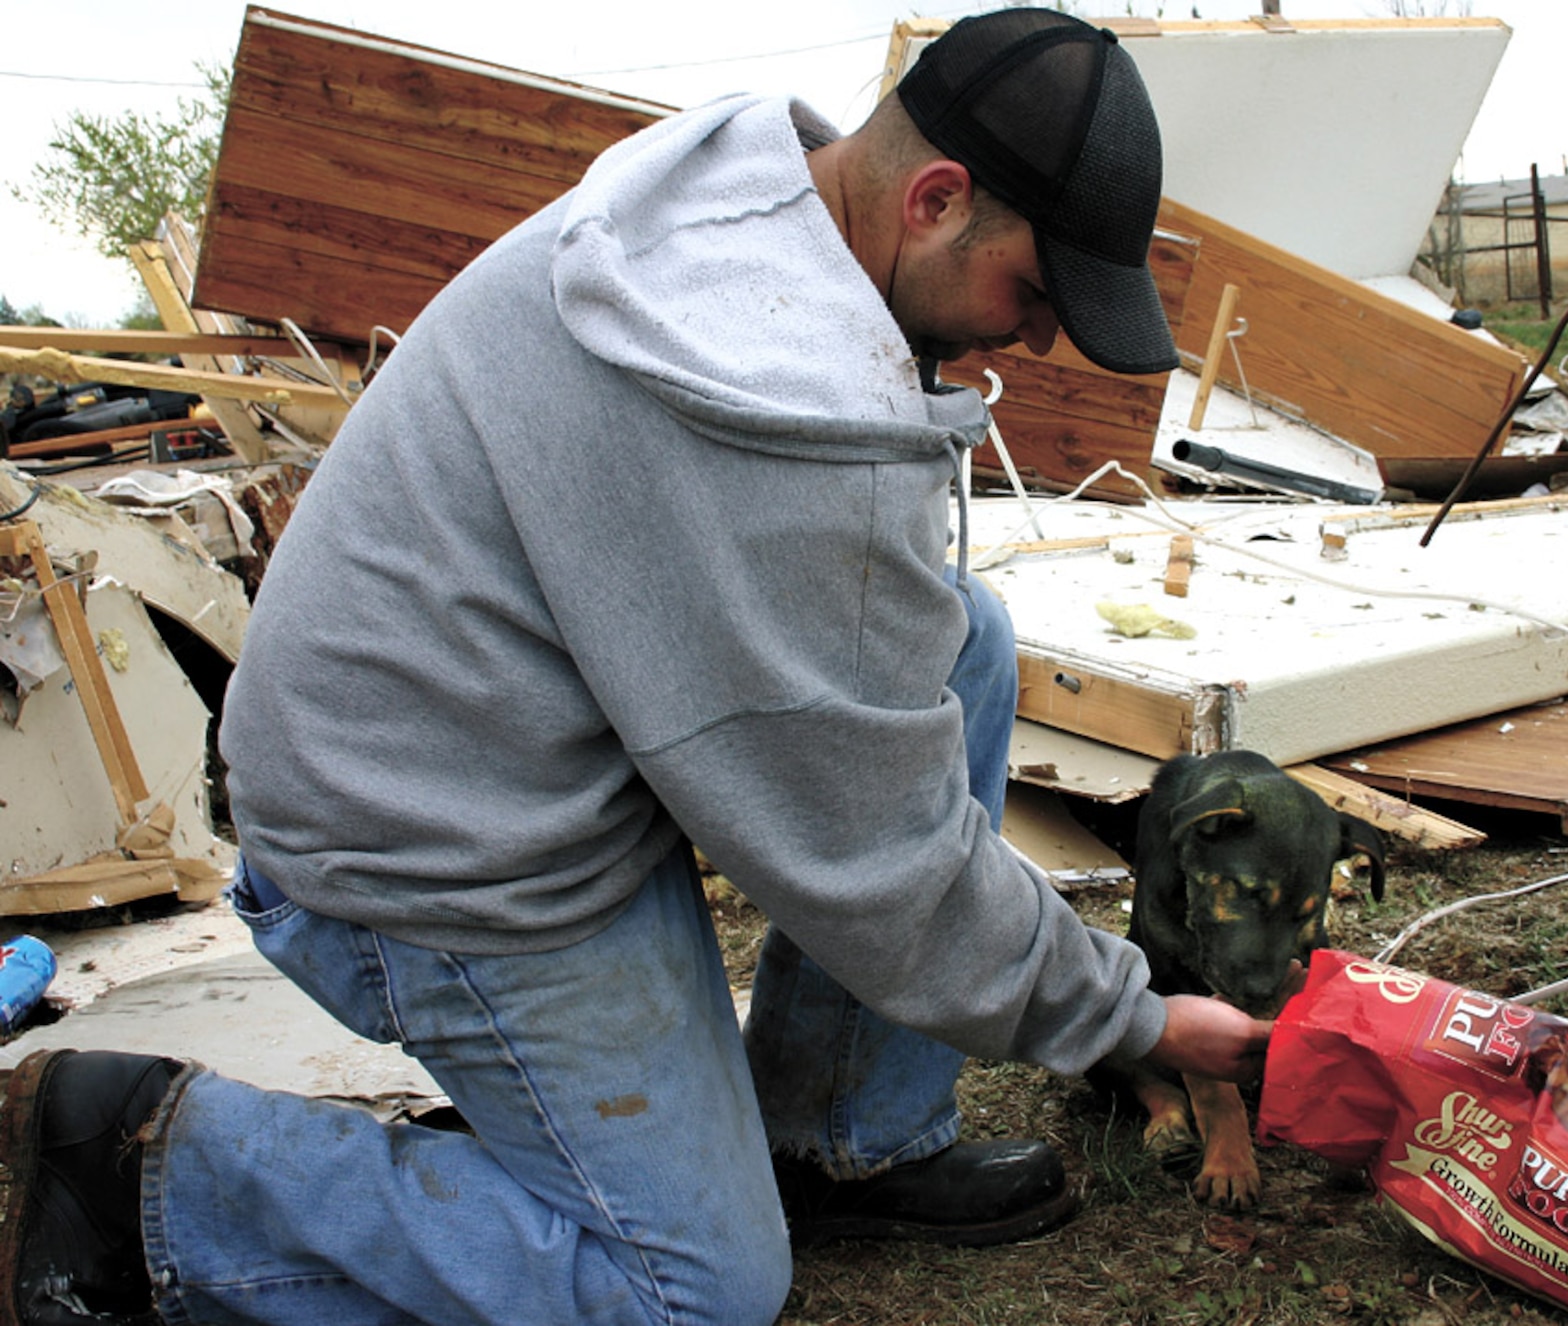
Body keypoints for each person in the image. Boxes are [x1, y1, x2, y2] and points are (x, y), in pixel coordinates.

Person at [0, 10, 1276, 1325]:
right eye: (1038, 293)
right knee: (692, 1287)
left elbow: (857, 761)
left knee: (966, 640)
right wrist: (1129, 1015)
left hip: (500, 737)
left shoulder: (755, 203)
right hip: (422, 853)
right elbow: (882, 861)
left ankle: (832, 1132)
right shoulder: (763, 397)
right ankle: (154, 1171)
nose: (1047, 341)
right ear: (936, 198)